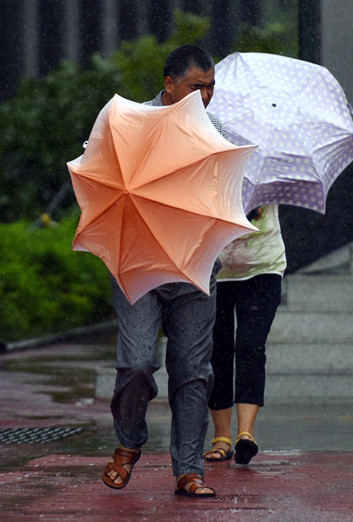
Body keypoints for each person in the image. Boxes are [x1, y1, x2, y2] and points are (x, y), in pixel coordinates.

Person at [102, 45, 227, 497]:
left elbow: (228, 199)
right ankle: (129, 443)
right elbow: (102, 182)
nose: (207, 96)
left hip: (195, 266)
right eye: (198, 86)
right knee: (136, 364)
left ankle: (189, 469)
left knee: (192, 370)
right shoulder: (128, 124)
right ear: (169, 83)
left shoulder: (218, 133)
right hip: (137, 263)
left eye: (212, 87)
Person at [203, 205, 286, 464]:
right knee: (218, 350)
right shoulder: (208, 166)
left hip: (264, 267)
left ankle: (245, 434)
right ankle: (221, 438)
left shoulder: (268, 166)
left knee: (250, 346)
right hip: (214, 269)